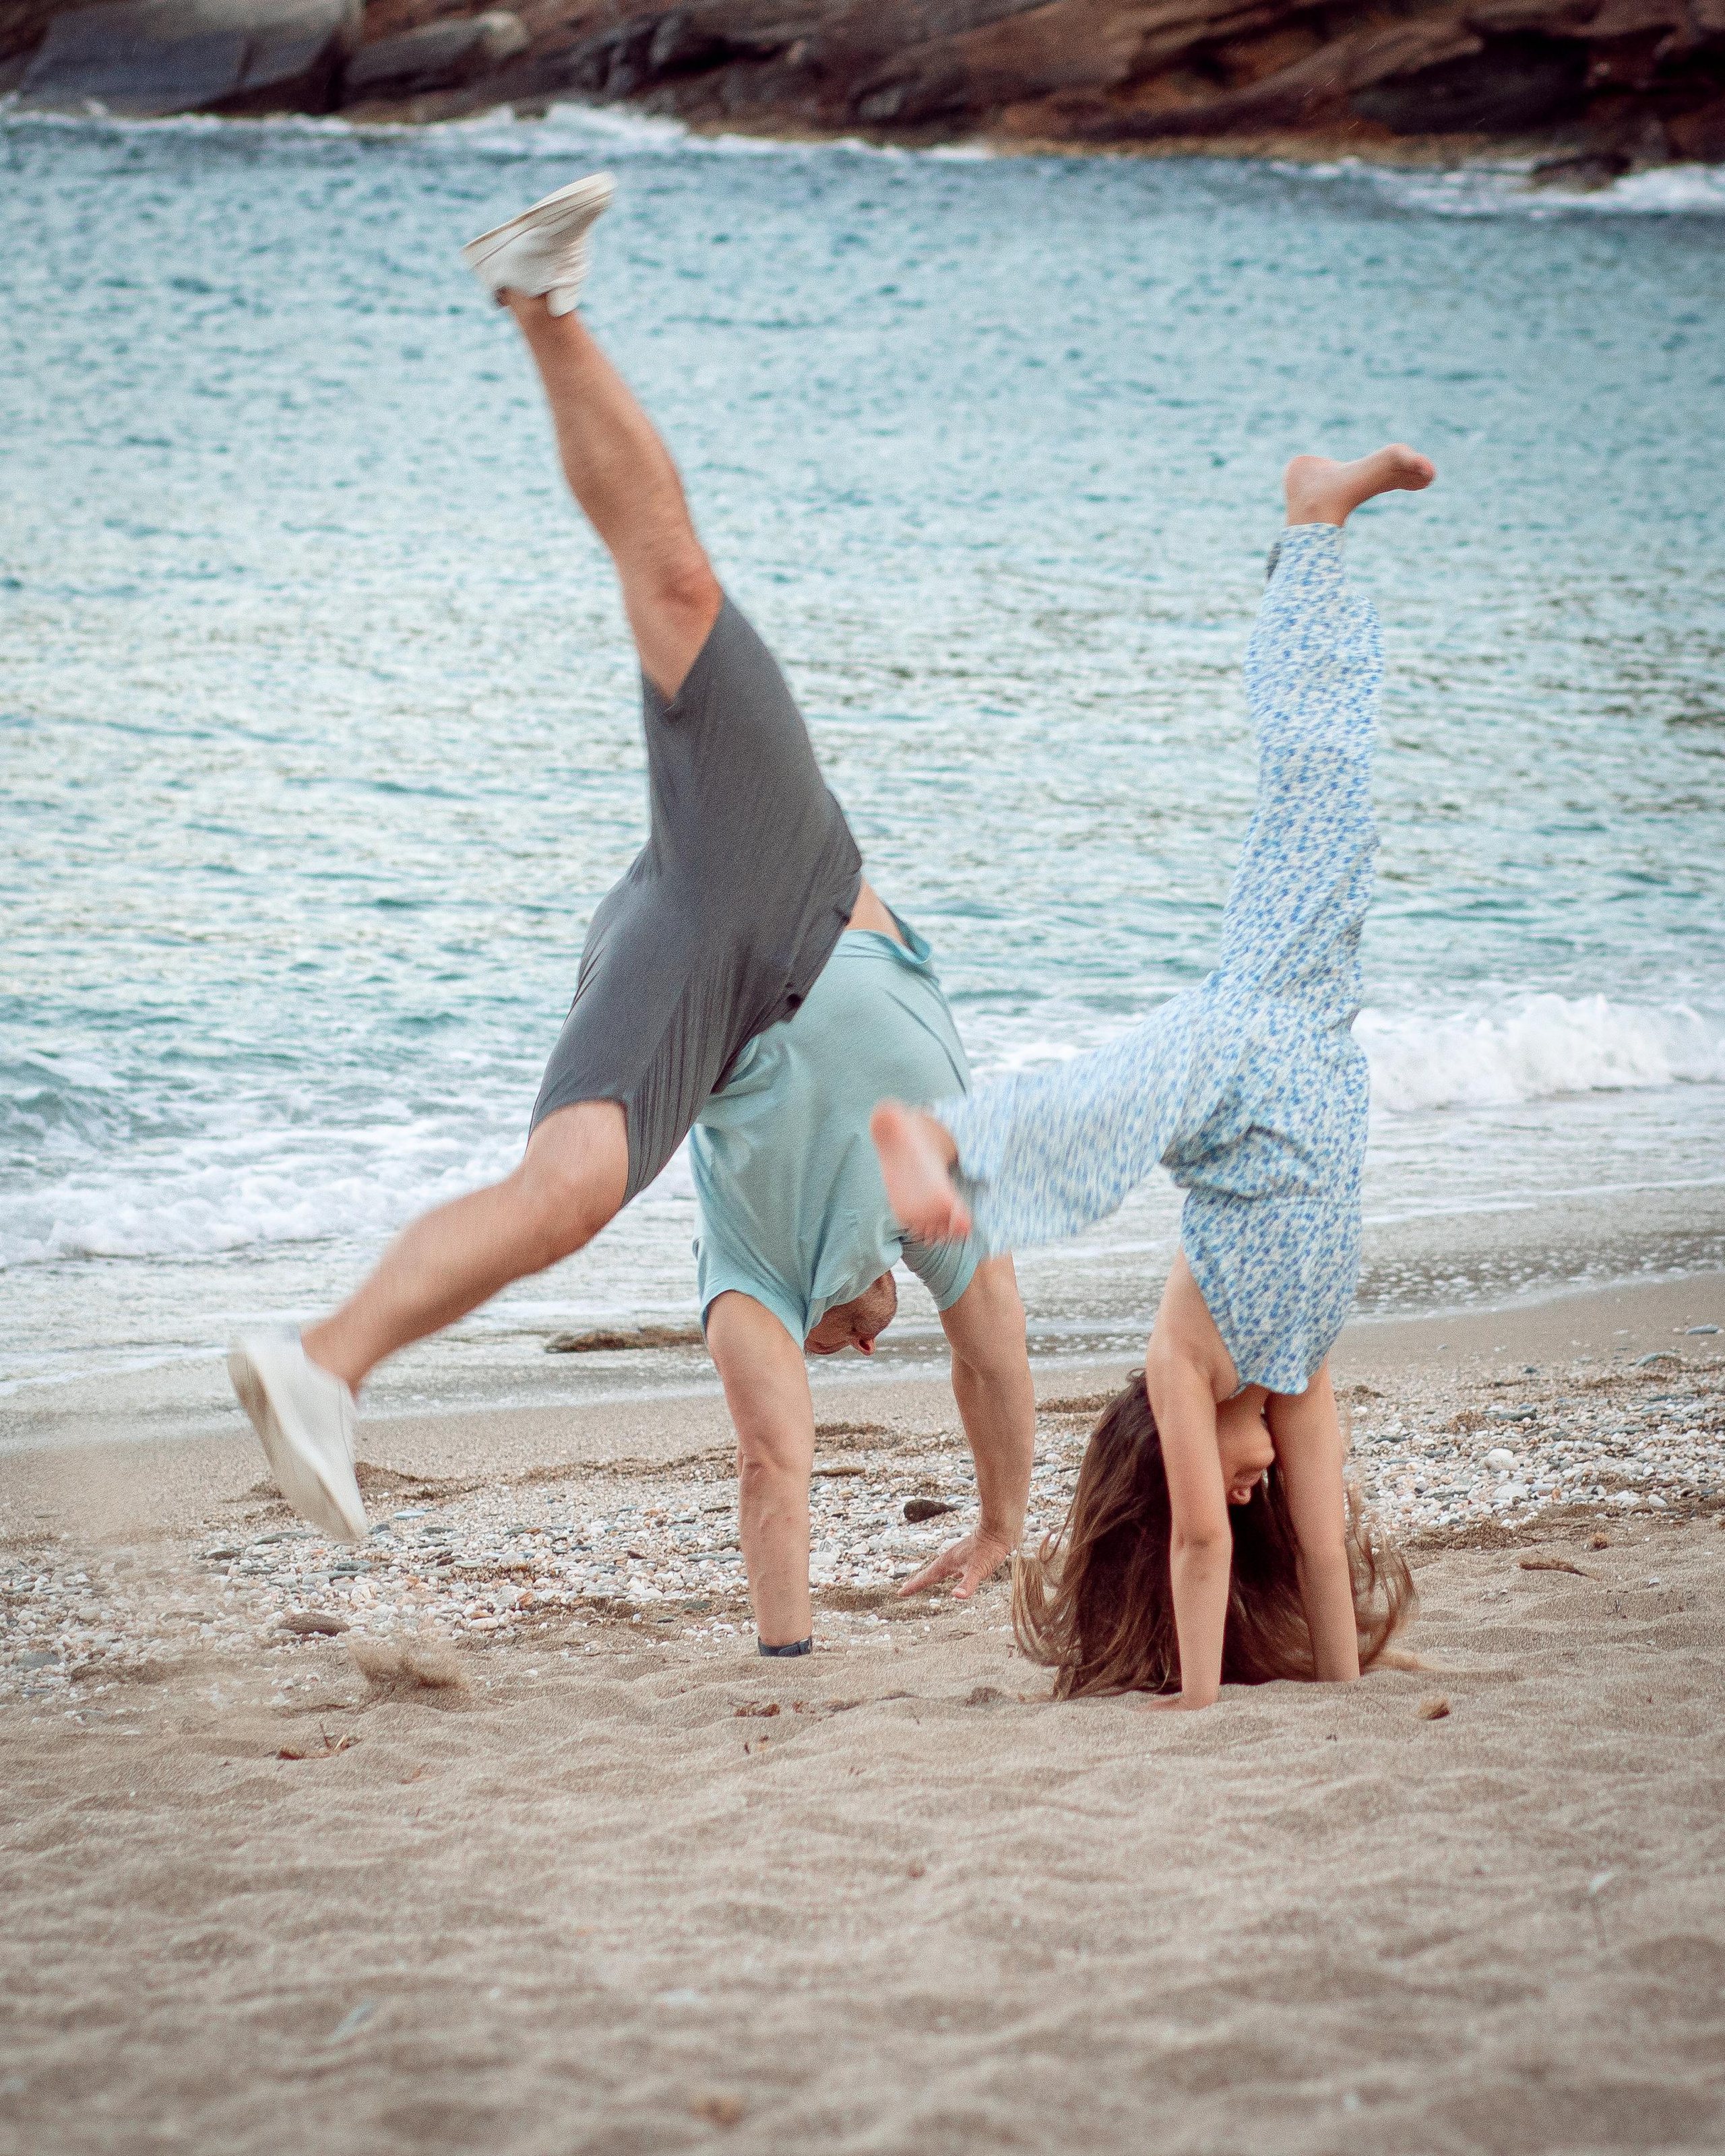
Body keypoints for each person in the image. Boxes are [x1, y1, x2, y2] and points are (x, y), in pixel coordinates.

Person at [224, 174, 938, 1569]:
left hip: (712, 958)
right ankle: (540, 299)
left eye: (844, 1339)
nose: (863, 1337)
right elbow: (986, 1334)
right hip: (764, 864)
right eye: (868, 1330)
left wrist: (812, 1311)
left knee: (567, 1197)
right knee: (674, 584)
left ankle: (321, 1362)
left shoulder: (764, 1251)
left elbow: (812, 1361)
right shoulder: (908, 1205)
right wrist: (999, 1516)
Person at [869, 447, 1433, 1707]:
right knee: (1333, 788)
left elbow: (1196, 1547)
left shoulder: (1185, 1369)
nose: (1247, 1490)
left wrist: (1197, 1709)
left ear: (1158, 1451)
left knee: (1128, 1093)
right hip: (1309, 1028)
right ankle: (1316, 531)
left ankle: (951, 1146)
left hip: (1239, 1064)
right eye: (1250, 1488)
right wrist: (1345, 1697)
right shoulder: (1299, 1371)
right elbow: (1323, 1555)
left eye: (1227, 1484)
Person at [691, 902, 1035, 1656]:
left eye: (816, 1350)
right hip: (865, 958)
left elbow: (771, 1463)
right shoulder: (926, 1207)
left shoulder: (744, 1272)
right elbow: (994, 1361)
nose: (858, 1347)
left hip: (753, 987)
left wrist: (998, 1529)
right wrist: (997, 1530)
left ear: (793, 1331)